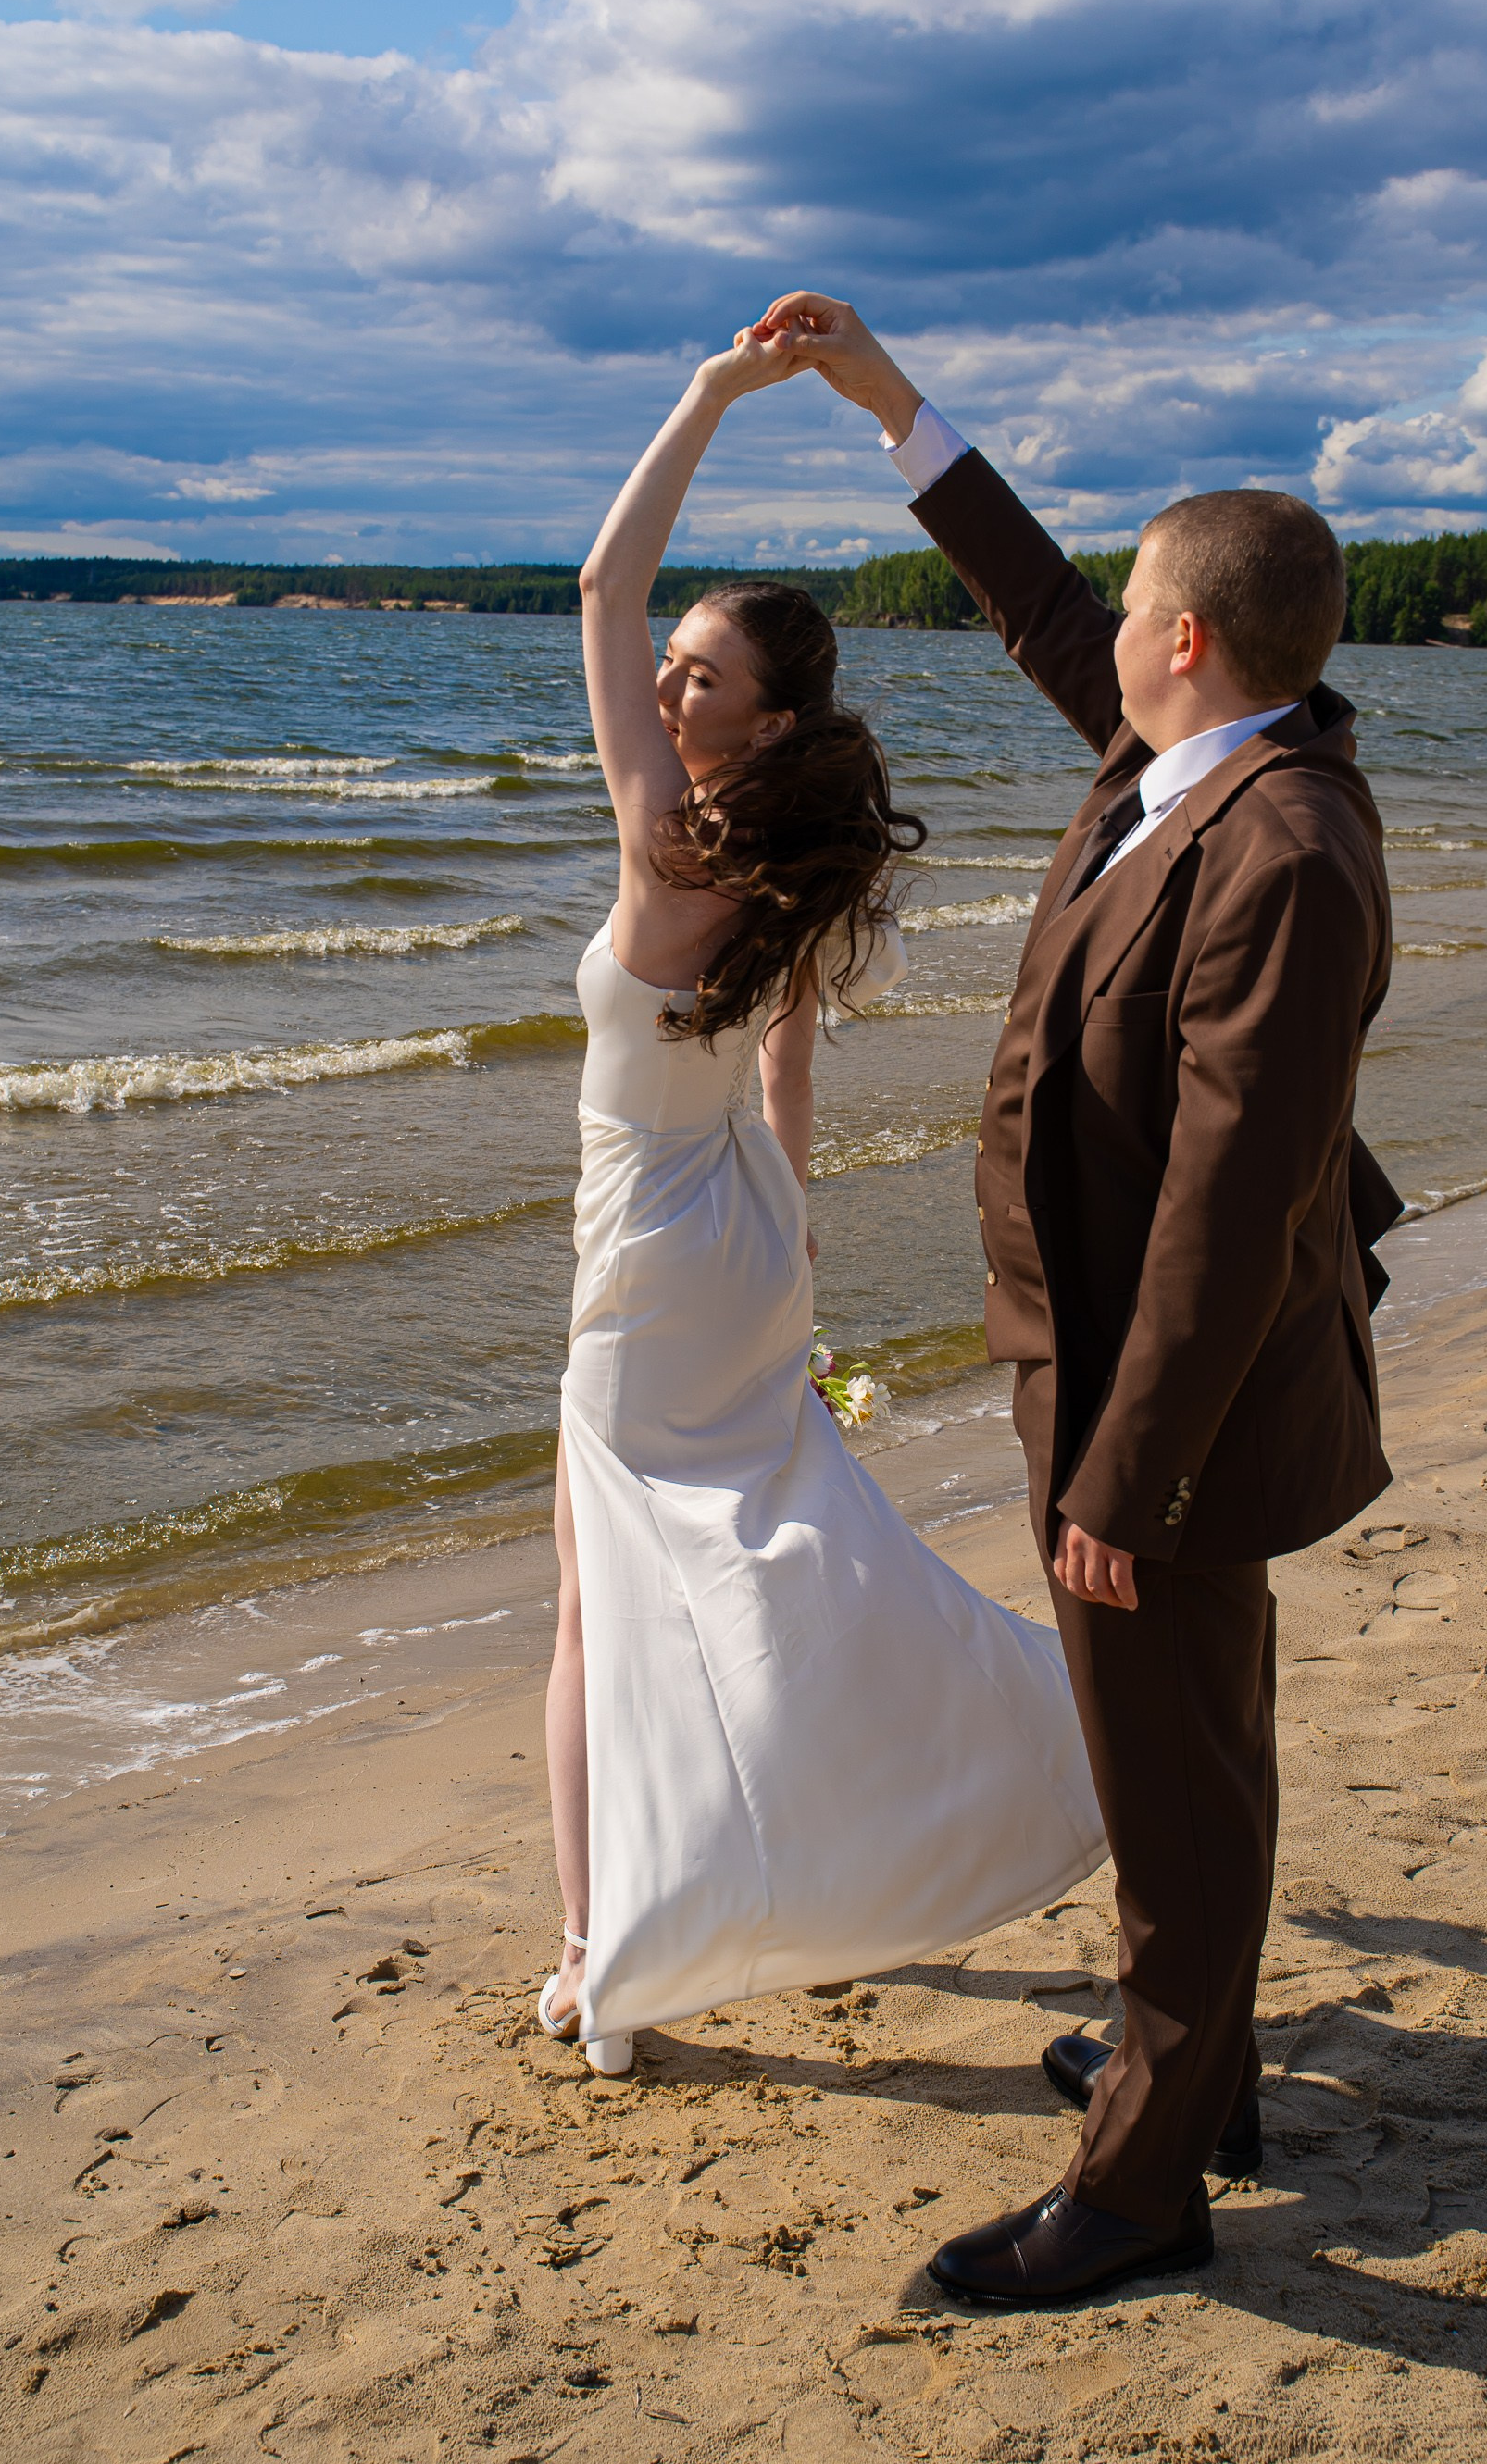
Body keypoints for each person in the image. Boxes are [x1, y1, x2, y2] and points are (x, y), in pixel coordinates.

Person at [746, 291, 1404, 2306]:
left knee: (1176, 1767)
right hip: (1100, 1375)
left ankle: (1142, 2186)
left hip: (1158, 1402)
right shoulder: (1179, 759)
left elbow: (1233, 1196)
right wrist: (886, 408)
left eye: (1136, 606)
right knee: (1186, 1745)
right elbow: (1037, 600)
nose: (1103, 629)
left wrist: (1124, 1479)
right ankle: (1195, 2078)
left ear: (1190, 635)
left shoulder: (1281, 840)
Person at [540, 328, 1106, 2078]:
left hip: (649, 1256)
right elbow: (784, 1084)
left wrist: (706, 398)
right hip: (743, 1236)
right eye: (677, 669)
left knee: (598, 1606)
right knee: (752, 1542)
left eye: (699, 676)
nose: (668, 687)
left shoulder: (668, 842)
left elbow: (594, 579)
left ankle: (596, 1960)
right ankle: (913, 1780)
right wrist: (796, 1257)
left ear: (769, 722)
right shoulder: (788, 867)